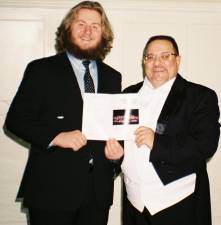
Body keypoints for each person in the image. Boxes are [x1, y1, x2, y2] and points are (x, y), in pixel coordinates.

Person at [4, 1, 122, 225]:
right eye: (81, 24)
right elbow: (16, 120)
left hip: (98, 193)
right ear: (68, 28)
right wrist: (57, 137)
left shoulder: (113, 77)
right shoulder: (41, 70)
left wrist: (117, 156)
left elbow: (114, 128)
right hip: (51, 191)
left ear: (104, 33)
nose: (88, 31)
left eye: (95, 26)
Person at [105, 35, 220, 225]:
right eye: (150, 57)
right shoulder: (127, 94)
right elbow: (118, 141)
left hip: (179, 204)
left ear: (178, 60)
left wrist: (156, 142)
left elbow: (206, 145)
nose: (156, 62)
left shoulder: (200, 96)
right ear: (143, 62)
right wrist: (116, 156)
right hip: (134, 205)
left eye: (165, 56)